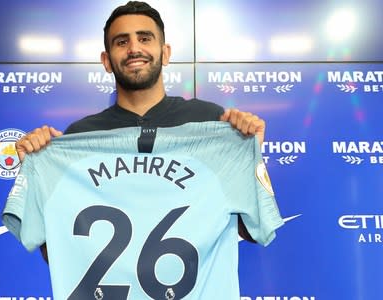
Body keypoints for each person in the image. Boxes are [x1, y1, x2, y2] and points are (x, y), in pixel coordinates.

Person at [15, 1, 265, 263]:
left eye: (144, 38)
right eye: (121, 42)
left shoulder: (210, 122)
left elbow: (249, 229)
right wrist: (35, 170)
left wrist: (250, 154)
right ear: (106, 61)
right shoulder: (80, 137)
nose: (134, 49)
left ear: (165, 53)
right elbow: (57, 251)